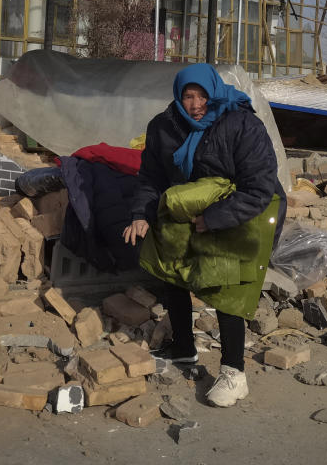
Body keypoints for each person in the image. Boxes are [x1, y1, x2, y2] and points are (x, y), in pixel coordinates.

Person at [123, 63, 285, 407]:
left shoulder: (241, 125)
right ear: (178, 96)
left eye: (202, 95)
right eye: (188, 95)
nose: (195, 103)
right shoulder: (164, 127)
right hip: (187, 208)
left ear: (213, 93)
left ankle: (233, 372)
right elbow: (151, 178)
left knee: (225, 286)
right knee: (174, 274)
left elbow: (259, 187)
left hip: (238, 211)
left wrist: (214, 219)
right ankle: (183, 347)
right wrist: (141, 214)